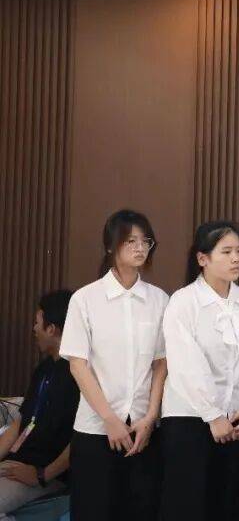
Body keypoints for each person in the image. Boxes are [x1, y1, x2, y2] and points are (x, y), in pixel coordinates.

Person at [60, 209, 170, 520]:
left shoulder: (159, 300)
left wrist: (151, 416)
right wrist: (109, 418)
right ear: (111, 246)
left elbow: (161, 364)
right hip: (96, 430)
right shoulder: (85, 299)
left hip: (143, 431)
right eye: (130, 241)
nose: (140, 247)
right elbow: (78, 365)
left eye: (145, 241)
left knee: (142, 510)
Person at [158, 221, 239, 521]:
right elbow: (186, 366)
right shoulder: (184, 301)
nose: (236, 259)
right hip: (190, 418)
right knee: (189, 508)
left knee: (227, 505)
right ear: (202, 258)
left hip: (234, 421)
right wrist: (213, 415)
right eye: (226, 252)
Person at [0, 290, 79, 518]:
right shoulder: (43, 369)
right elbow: (20, 423)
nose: (34, 329)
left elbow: (80, 440)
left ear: (51, 329)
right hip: (17, 463)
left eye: (37, 323)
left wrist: (42, 475)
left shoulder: (79, 374)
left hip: (46, 473)